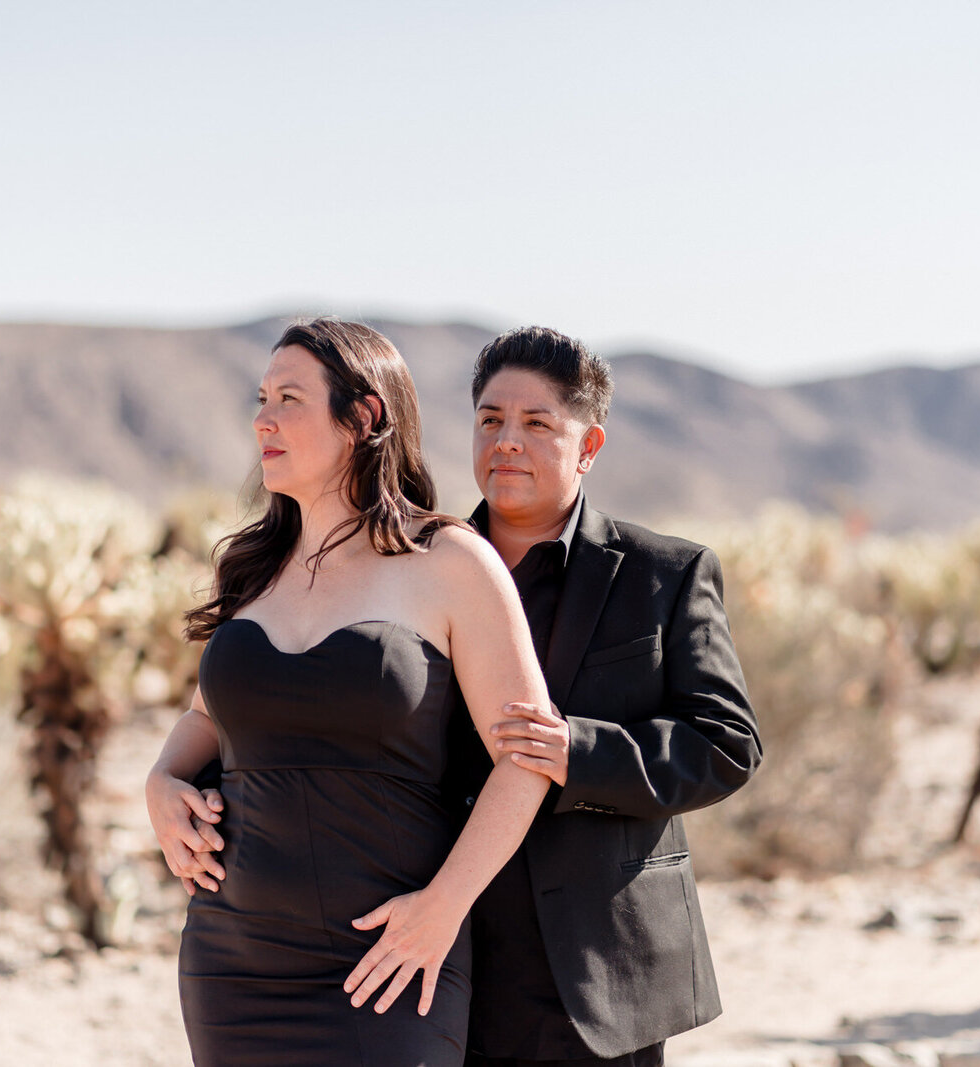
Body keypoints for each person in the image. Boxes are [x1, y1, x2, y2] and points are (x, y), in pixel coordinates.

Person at [144, 317, 555, 1066]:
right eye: (261, 398)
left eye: (289, 399)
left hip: (389, 963)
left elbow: (528, 756)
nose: (262, 419)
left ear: (362, 417)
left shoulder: (450, 560)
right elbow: (209, 718)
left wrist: (444, 907)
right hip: (233, 963)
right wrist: (161, 781)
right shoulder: (252, 570)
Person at [454, 326, 761, 1067]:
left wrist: (575, 750)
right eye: (491, 420)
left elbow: (726, 742)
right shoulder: (427, 571)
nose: (507, 441)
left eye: (536, 424)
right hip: (452, 952)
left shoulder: (667, 573)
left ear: (588, 446)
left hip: (601, 966)